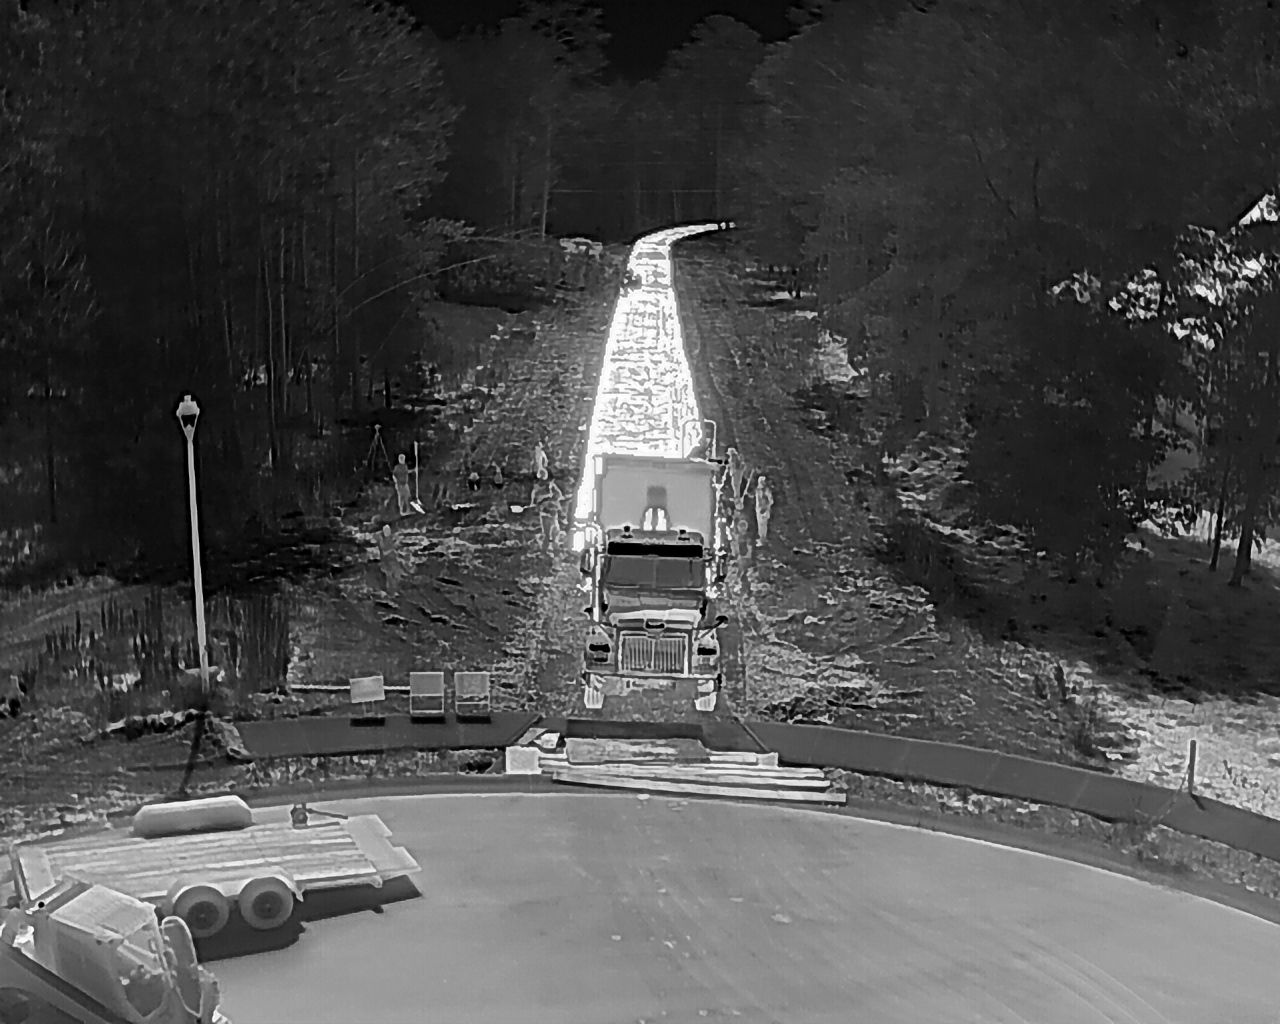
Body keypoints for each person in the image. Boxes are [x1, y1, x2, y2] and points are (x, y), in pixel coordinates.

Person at [529, 474, 566, 550]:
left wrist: (559, 513)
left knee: (555, 533)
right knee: (546, 534)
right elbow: (538, 507)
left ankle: (555, 549)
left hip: (553, 517)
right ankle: (544, 549)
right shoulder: (540, 495)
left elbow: (559, 497)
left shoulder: (554, 496)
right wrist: (547, 511)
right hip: (545, 518)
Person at [377, 525, 403, 595]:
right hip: (389, 561)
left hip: (392, 561)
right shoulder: (383, 541)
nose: (387, 532)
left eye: (388, 531)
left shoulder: (392, 538)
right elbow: (384, 552)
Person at [754, 475, 775, 546]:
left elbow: (771, 500)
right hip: (759, 509)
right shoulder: (758, 490)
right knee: (760, 524)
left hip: (764, 510)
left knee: (763, 524)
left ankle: (763, 537)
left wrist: (766, 506)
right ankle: (762, 537)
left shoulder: (766, 490)